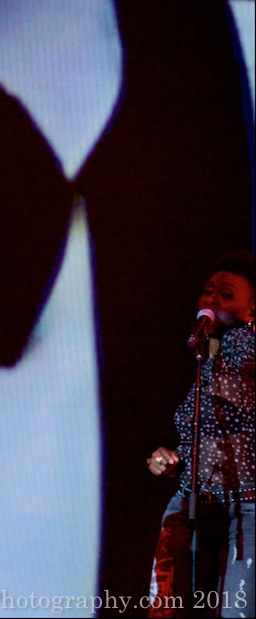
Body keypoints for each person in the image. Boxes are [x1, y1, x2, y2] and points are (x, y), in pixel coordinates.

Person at [146, 250, 255, 618]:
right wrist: (176, 458)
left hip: (243, 508)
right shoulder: (205, 359)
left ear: (252, 311)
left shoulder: (247, 353)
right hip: (188, 504)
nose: (211, 299)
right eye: (208, 291)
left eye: (226, 295)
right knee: (167, 610)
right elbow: (212, 432)